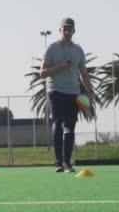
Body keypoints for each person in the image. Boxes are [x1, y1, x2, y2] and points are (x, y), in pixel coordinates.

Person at [40, 17, 93, 173]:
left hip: (73, 94)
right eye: (65, 29)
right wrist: (61, 67)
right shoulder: (51, 49)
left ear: (74, 31)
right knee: (57, 122)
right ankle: (58, 163)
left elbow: (83, 74)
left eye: (70, 29)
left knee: (70, 126)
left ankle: (67, 163)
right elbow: (42, 73)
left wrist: (90, 91)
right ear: (60, 30)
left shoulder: (78, 51)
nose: (67, 31)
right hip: (55, 91)